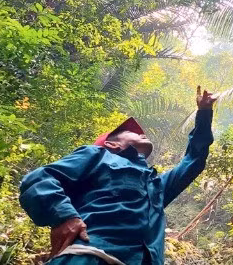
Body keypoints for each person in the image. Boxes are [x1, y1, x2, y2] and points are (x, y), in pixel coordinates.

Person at [19, 86, 217, 265]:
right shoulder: (97, 156)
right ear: (112, 144)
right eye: (131, 132)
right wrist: (65, 217)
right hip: (89, 256)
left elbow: (193, 160)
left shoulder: (156, 185)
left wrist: (204, 114)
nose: (141, 133)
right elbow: (40, 178)